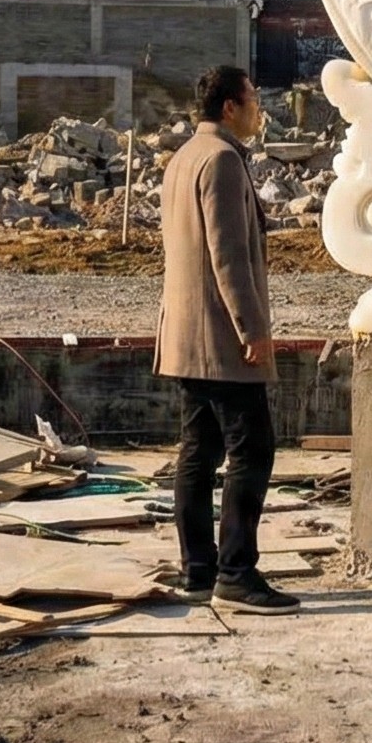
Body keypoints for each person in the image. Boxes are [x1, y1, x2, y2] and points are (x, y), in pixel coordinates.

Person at [159, 65, 297, 614]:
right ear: (231, 108)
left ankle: (199, 569)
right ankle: (236, 573)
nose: (259, 109)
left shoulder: (182, 157)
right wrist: (253, 330)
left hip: (186, 334)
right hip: (221, 338)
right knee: (253, 450)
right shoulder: (220, 160)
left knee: (199, 450)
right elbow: (228, 256)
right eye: (253, 99)